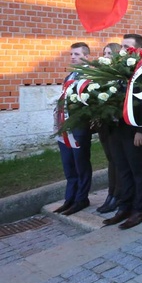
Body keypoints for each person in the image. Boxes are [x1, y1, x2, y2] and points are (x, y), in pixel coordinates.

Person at [103, 34, 142, 230]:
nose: (122, 51)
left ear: (138, 50)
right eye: (122, 46)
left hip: (135, 129)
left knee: (138, 170)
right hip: (117, 128)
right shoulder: (117, 69)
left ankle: (141, 209)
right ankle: (124, 206)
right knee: (122, 169)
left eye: (127, 47)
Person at [53, 42, 93, 216]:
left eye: (77, 54)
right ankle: (69, 198)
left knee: (81, 164)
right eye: (71, 54)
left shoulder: (90, 75)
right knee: (68, 165)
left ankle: (81, 198)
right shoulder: (70, 75)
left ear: (86, 56)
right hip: (64, 127)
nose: (73, 57)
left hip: (78, 127)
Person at [96, 42, 121, 214]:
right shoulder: (101, 76)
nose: (106, 56)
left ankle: (117, 195)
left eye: (110, 54)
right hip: (104, 124)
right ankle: (111, 193)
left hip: (117, 125)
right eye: (105, 53)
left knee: (117, 161)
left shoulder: (120, 75)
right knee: (110, 160)